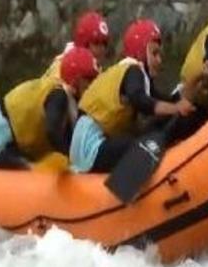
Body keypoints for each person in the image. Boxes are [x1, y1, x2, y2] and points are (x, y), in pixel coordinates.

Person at [68, 19, 196, 173]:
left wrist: (192, 86)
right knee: (139, 145)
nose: (159, 60)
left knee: (150, 132)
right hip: (89, 145)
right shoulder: (132, 71)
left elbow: (165, 100)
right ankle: (123, 193)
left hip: (96, 139)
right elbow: (141, 101)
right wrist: (175, 108)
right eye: (154, 53)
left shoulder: (136, 75)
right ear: (140, 51)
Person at [0, 46, 99, 168]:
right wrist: (70, 159)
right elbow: (52, 131)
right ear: (75, 80)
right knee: (28, 169)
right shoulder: (59, 96)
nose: (92, 84)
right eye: (88, 79)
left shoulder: (59, 91)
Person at [43, 11, 111, 79]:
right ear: (83, 44)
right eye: (96, 43)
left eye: (104, 43)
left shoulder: (97, 70)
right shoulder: (60, 71)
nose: (102, 49)